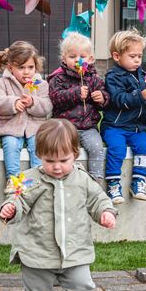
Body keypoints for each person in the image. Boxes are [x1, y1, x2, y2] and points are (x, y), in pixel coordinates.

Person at [0, 119, 117, 291]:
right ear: (39, 155)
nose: (57, 166)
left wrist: (105, 212)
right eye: (49, 160)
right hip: (38, 248)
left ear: (76, 153)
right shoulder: (30, 179)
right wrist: (10, 208)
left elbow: (97, 199)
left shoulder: (82, 178)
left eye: (64, 160)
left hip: (75, 248)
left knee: (81, 284)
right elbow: (18, 200)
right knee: (36, 286)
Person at [102, 30, 146, 204]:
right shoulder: (113, 76)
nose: (137, 60)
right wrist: (140, 95)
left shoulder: (143, 76)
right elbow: (118, 99)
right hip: (115, 126)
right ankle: (113, 184)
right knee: (117, 149)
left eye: (139, 56)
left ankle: (138, 181)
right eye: (132, 56)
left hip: (136, 128)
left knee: (145, 146)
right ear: (117, 56)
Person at [48, 32, 109, 182]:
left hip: (88, 127)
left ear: (90, 59)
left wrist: (102, 98)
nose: (78, 60)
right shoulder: (58, 78)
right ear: (64, 58)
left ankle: (96, 178)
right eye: (72, 56)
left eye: (82, 56)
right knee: (65, 151)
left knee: (96, 148)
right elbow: (55, 98)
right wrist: (75, 93)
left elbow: (105, 101)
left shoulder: (94, 79)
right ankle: (67, 178)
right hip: (66, 126)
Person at [0, 41, 53, 190]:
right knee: (11, 145)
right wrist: (13, 103)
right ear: (10, 67)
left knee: (37, 145)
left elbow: (47, 105)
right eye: (21, 68)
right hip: (11, 127)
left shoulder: (40, 84)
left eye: (30, 67)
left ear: (36, 67)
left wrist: (33, 102)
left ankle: (38, 177)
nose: (26, 72)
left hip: (34, 127)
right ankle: (13, 179)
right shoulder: (3, 83)